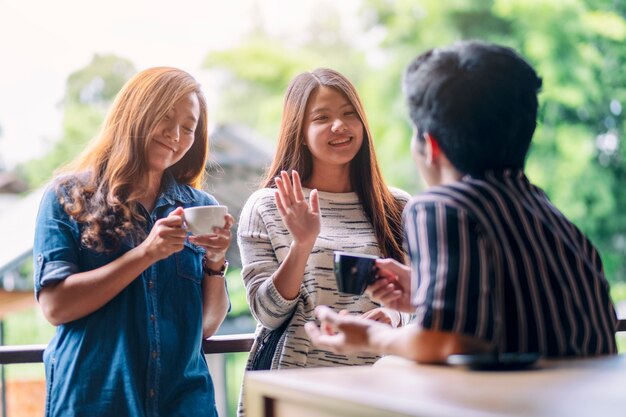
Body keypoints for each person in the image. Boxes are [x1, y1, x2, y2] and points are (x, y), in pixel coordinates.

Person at [305, 41, 618, 363]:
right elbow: (530, 320)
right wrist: (426, 292)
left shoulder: (440, 207)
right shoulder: (550, 215)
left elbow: (448, 342)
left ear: (431, 144)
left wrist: (370, 336)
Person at [33, 67, 233, 416]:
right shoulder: (67, 197)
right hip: (95, 400)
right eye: (165, 118)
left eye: (189, 127)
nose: (176, 134)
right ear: (135, 114)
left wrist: (215, 263)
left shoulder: (200, 208)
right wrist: (146, 254)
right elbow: (56, 306)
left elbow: (206, 325)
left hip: (183, 403)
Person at [237, 68, 411, 373]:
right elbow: (268, 314)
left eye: (349, 113)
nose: (340, 126)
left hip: (382, 383)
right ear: (300, 132)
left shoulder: (397, 206)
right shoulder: (267, 205)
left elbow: (419, 299)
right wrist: (302, 244)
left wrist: (394, 317)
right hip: (297, 383)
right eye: (321, 118)